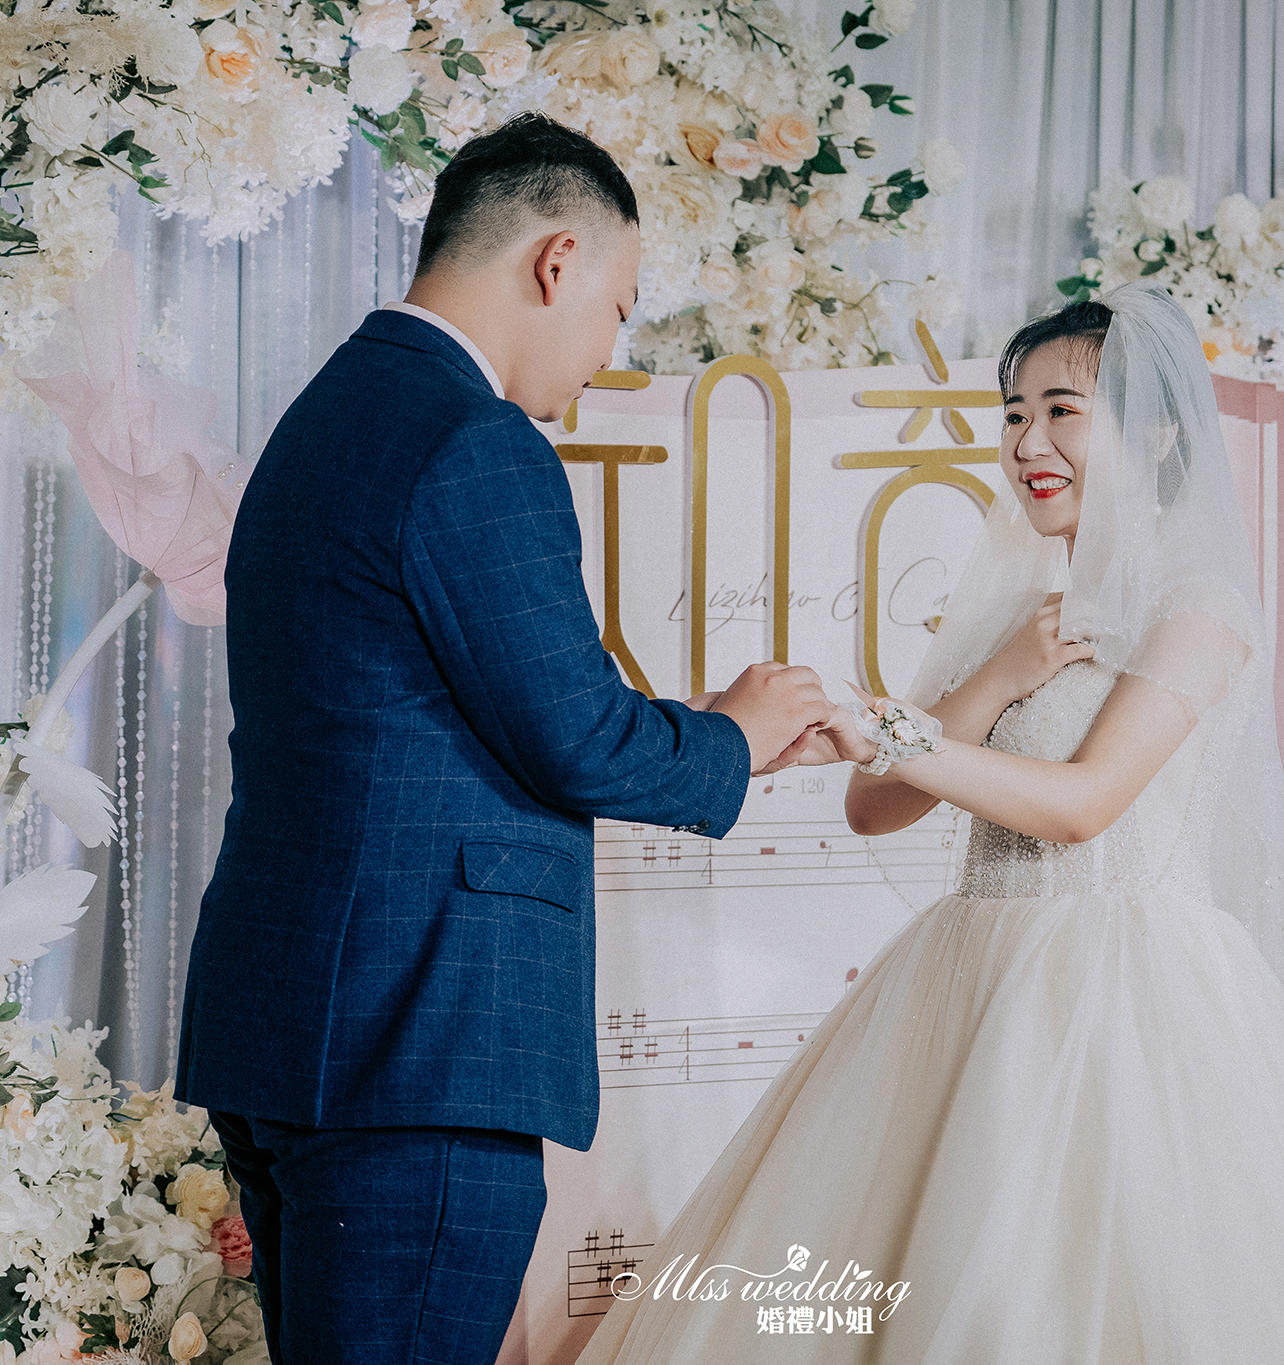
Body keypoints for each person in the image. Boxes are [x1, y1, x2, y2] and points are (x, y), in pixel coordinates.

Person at [578, 286, 1284, 1363]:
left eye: (1063, 412)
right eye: (1014, 414)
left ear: (1159, 431)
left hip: (1128, 990)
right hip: (971, 972)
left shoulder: (1198, 609)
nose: (1027, 444)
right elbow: (876, 805)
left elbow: (1082, 805)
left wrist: (879, 723)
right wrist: (997, 675)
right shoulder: (1021, 614)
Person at [176, 114, 861, 1365]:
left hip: (293, 1024)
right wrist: (735, 736)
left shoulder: (328, 413)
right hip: (419, 1041)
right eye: (617, 310)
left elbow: (433, 712)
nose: (607, 353)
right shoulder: (474, 440)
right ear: (556, 262)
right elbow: (575, 737)